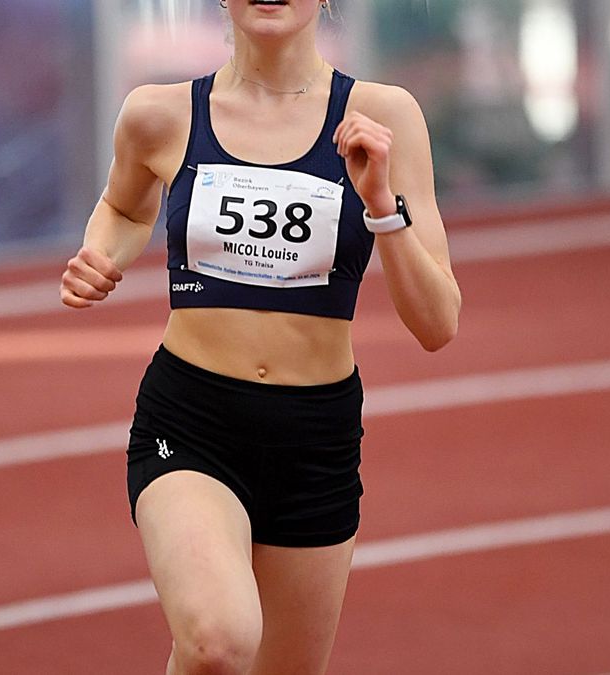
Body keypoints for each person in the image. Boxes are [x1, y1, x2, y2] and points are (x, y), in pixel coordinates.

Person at [60, 1, 460, 672]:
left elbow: (438, 322)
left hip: (315, 439)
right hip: (192, 421)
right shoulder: (160, 113)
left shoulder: (384, 117)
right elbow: (124, 207)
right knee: (217, 642)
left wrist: (381, 208)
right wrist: (101, 255)